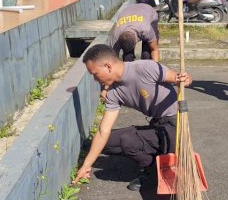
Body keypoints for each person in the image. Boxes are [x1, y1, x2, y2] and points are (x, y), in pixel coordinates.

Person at [74, 44, 192, 191]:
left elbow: (177, 78)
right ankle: (156, 160)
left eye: (94, 74)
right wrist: (86, 165)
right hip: (156, 124)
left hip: (174, 125)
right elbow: (103, 130)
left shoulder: (145, 68)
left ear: (108, 66)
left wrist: (184, 79)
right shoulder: (113, 93)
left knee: (128, 140)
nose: (94, 79)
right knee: (107, 142)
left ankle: (153, 173)